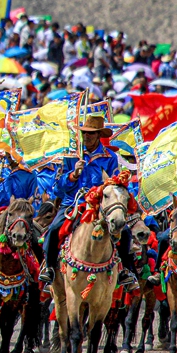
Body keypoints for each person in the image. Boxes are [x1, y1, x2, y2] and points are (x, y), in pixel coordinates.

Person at [39, 115, 138, 290]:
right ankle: (49, 269)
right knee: (54, 229)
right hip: (73, 203)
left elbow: (116, 184)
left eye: (91, 133)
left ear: (99, 135)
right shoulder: (71, 156)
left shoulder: (110, 157)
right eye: (84, 133)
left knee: (125, 231)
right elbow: (58, 188)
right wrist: (73, 175)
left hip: (100, 204)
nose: (87, 137)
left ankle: (126, 271)